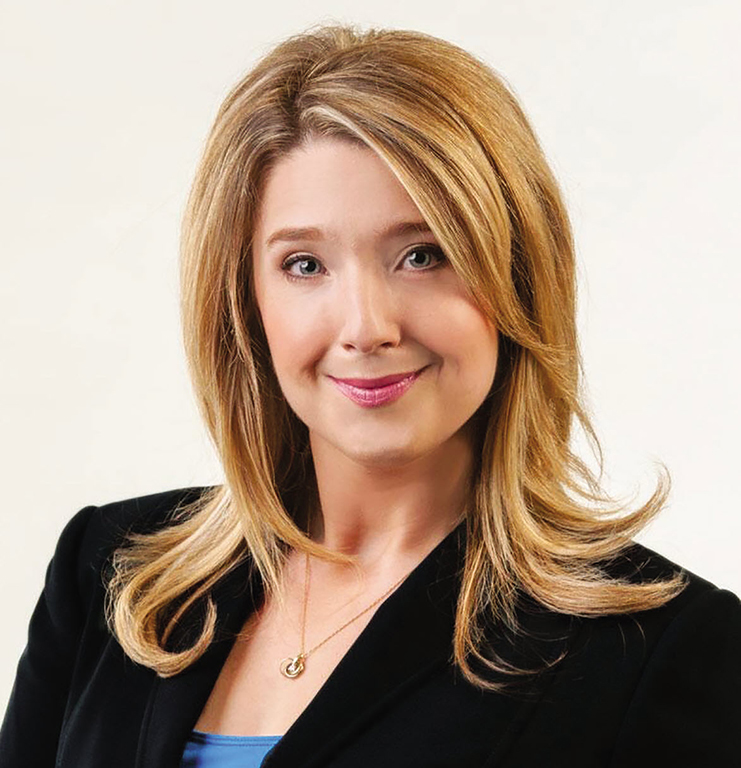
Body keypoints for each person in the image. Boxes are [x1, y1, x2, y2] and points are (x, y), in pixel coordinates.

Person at [1, 23, 739, 768]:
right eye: (304, 265)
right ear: (243, 298)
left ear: (516, 273)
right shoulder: (112, 576)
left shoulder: (659, 648)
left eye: (423, 255)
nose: (365, 326)